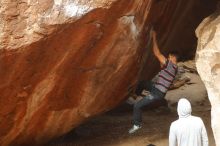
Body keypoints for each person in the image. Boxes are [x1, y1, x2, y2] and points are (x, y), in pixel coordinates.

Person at [128, 30, 179, 134]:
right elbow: (162, 68)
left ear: (173, 57)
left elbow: (157, 53)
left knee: (137, 106)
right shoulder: (174, 68)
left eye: (169, 57)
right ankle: (137, 94)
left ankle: (137, 125)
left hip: (157, 93)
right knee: (143, 83)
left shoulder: (170, 65)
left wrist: (154, 37)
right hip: (156, 88)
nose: (168, 58)